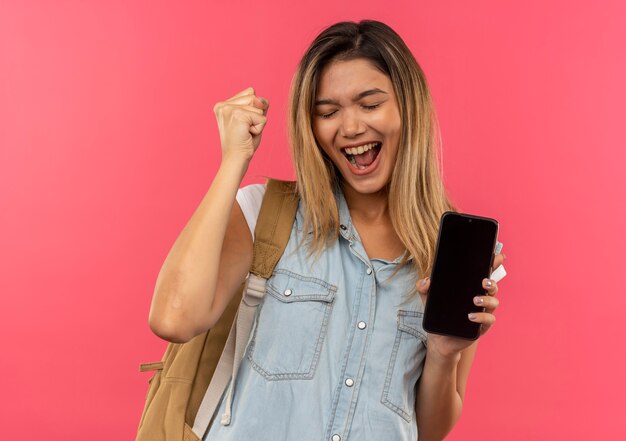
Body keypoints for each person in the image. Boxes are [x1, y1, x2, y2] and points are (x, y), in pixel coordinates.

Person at [148, 19, 505, 441]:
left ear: (409, 107)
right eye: (328, 112)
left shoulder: (449, 252)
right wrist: (232, 163)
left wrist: (443, 354)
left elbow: (428, 431)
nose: (350, 128)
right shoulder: (264, 215)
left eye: (370, 105)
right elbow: (173, 319)